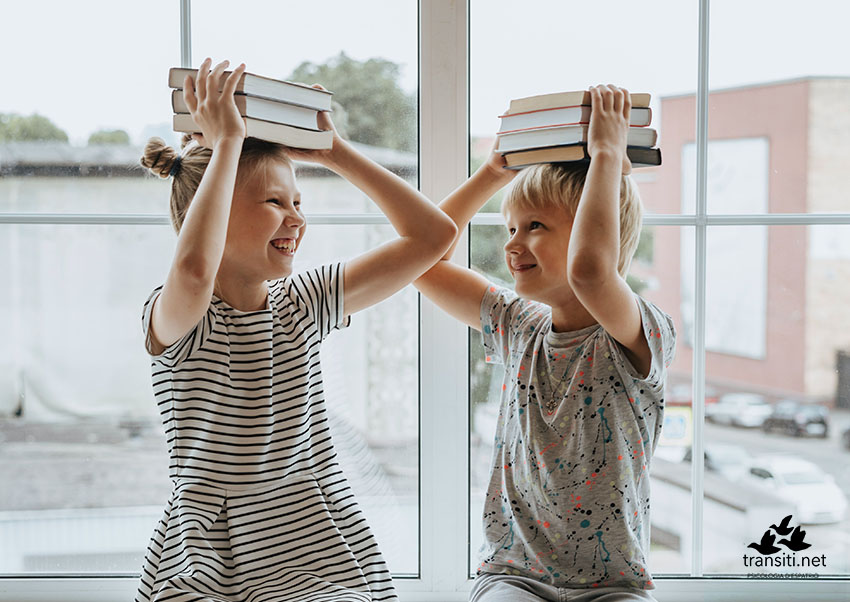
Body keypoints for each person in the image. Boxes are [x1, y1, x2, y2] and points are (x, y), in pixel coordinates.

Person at [136, 58, 456, 602]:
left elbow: (434, 237)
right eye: (274, 202)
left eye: (298, 202)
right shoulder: (181, 316)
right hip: (211, 555)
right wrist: (228, 143)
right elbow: (193, 270)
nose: (297, 219)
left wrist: (335, 153)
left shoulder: (303, 303)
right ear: (211, 215)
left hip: (312, 546)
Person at [414, 85, 676, 601]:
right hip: (515, 574)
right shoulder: (518, 323)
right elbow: (420, 262)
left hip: (612, 584)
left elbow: (590, 273)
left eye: (534, 226)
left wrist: (607, 154)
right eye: (511, 228)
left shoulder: (640, 329)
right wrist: (491, 174)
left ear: (595, 233)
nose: (512, 244)